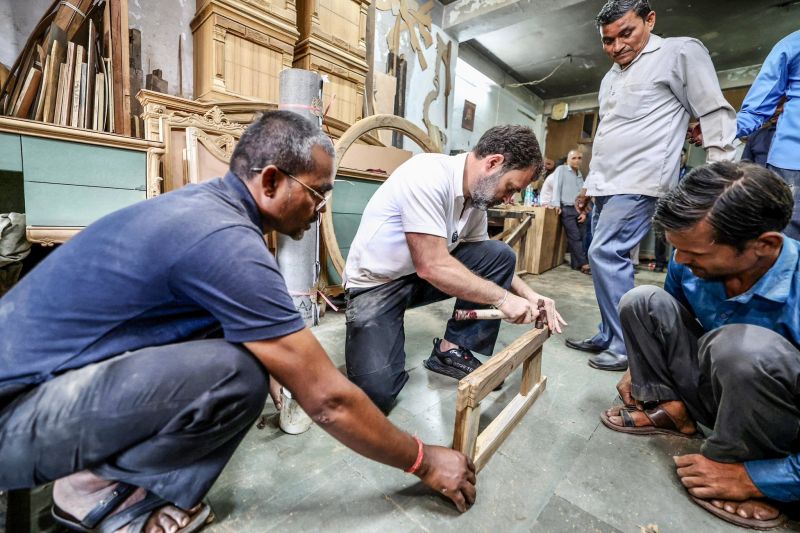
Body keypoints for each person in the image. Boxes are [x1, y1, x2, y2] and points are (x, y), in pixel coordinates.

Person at [0, 111, 478, 532]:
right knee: (238, 376)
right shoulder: (225, 241)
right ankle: (92, 491)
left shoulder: (208, 209)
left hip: (37, 390)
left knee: (249, 356)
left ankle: (111, 479)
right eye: (318, 193)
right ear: (270, 182)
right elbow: (329, 400)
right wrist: (424, 460)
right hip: (12, 420)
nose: (321, 209)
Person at [599, 161, 799, 529]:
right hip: (723, 389)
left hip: (784, 427)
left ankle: (742, 465)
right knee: (643, 301)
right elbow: (666, 317)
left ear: (764, 245)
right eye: (676, 249)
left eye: (697, 254)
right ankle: (674, 412)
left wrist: (761, 478)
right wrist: (639, 368)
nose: (680, 261)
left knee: (740, 347)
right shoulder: (687, 261)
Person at [565, 0, 737, 372]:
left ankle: (628, 345)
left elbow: (714, 111)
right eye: (608, 40)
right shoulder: (610, 78)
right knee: (604, 258)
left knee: (605, 253)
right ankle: (609, 333)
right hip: (606, 184)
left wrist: (718, 181)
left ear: (650, 20)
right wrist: (588, 186)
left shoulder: (679, 52)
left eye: (626, 33)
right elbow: (607, 135)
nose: (617, 47)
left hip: (640, 180)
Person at [343, 125, 566, 411]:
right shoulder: (427, 175)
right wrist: (503, 299)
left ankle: (450, 351)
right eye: (511, 188)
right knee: (376, 396)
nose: (509, 199)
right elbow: (432, 265)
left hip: (419, 277)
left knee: (499, 254)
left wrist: (529, 295)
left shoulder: (476, 198)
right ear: (493, 163)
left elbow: (486, 259)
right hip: (377, 286)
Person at [736, 30, 800, 239]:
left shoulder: (790, 44)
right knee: (784, 244)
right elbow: (755, 111)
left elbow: (755, 111)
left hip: (790, 164)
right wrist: (715, 129)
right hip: (792, 166)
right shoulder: (792, 46)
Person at [650, 148, 692, 272]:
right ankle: (659, 263)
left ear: (686, 156)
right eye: (678, 155)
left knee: (678, 238)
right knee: (660, 237)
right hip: (665, 207)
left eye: (682, 155)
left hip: (682, 209)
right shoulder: (667, 171)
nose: (680, 158)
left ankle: (675, 266)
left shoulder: (690, 171)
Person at [550, 149, 590, 274]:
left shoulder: (579, 174)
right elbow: (557, 187)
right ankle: (584, 264)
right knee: (574, 237)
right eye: (574, 158)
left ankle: (576, 264)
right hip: (566, 208)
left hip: (579, 209)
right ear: (568, 160)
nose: (577, 160)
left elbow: (582, 195)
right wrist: (556, 204)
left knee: (582, 237)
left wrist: (583, 212)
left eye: (579, 158)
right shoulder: (561, 170)